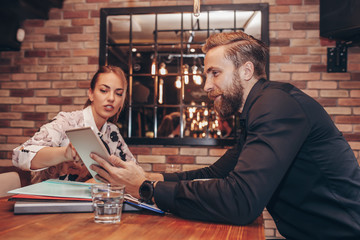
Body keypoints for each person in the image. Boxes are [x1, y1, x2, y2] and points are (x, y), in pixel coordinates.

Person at [89, 32, 360, 239]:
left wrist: (147, 189)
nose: (207, 85)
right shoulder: (259, 108)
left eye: (215, 73)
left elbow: (241, 201)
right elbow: (218, 172)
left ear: (246, 71)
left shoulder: (275, 105)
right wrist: (148, 178)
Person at [12, 65, 136, 183]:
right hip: (52, 202)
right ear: (91, 94)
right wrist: (64, 154)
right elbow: (19, 156)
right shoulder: (67, 122)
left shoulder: (112, 131)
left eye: (118, 93)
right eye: (104, 90)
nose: (111, 98)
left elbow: (133, 171)